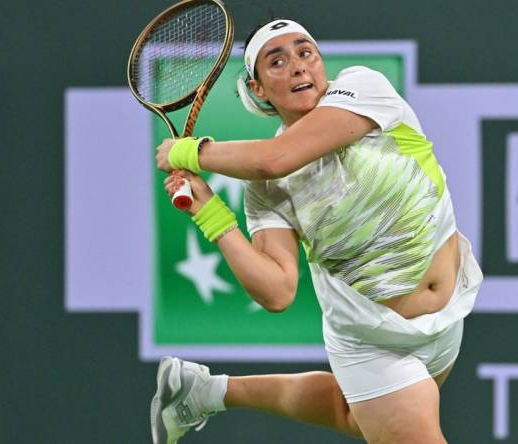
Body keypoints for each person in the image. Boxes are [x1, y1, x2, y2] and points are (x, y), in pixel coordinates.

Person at [151, 19, 482, 444]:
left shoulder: (363, 87)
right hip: (370, 340)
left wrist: (191, 152)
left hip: (448, 317)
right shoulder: (266, 190)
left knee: (351, 415)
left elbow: (276, 158)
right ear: (258, 89)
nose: (298, 67)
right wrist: (209, 212)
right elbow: (277, 290)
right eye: (277, 61)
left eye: (306, 53)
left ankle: (206, 391)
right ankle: (204, 393)